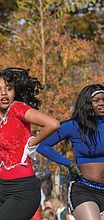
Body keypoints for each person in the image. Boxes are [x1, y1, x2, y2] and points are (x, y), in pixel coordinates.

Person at [0, 67, 60, 220]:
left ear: (14, 91)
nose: (4, 93)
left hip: (23, 189)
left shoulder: (18, 108)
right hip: (2, 188)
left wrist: (31, 144)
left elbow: (53, 124)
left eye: (8, 89)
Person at [37, 84, 104, 220]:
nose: (102, 103)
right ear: (87, 104)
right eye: (96, 100)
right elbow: (42, 145)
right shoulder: (73, 126)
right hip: (85, 190)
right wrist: (68, 164)